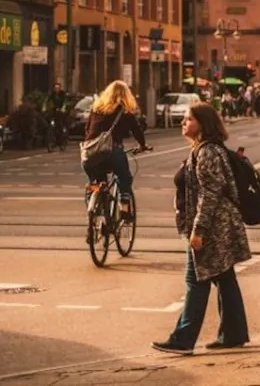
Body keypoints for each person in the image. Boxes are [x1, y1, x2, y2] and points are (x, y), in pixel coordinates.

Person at [152, 103, 251, 355]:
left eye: (188, 119)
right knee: (225, 278)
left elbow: (210, 193)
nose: (183, 123)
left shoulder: (207, 152)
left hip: (213, 227)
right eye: (183, 119)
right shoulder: (203, 149)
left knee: (195, 281)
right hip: (219, 224)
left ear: (202, 124)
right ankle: (233, 334)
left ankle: (183, 339)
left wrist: (199, 230)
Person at [82, 81, 149, 213]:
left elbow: (87, 129)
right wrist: (142, 145)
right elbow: (137, 131)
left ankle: (93, 205)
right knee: (124, 176)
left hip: (89, 153)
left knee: (95, 182)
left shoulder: (96, 109)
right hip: (112, 152)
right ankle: (124, 203)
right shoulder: (125, 111)